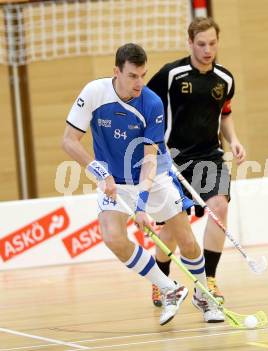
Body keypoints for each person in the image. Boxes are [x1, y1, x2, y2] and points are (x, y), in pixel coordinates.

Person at [61, 43, 224, 324]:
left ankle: (203, 296)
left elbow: (150, 160)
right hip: (113, 177)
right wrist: (99, 172)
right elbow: (68, 141)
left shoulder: (151, 102)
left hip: (153, 175)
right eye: (133, 76)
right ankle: (168, 289)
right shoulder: (94, 93)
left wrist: (141, 206)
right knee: (113, 237)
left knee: (186, 240)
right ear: (117, 72)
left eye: (143, 76)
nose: (139, 83)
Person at [147, 17, 246, 307]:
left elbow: (225, 113)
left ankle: (209, 282)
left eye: (212, 44)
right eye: (201, 44)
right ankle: (161, 281)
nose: (207, 50)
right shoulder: (171, 74)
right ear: (190, 43)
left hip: (209, 156)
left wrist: (235, 139)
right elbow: (147, 104)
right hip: (174, 158)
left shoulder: (224, 79)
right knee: (175, 228)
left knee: (220, 206)